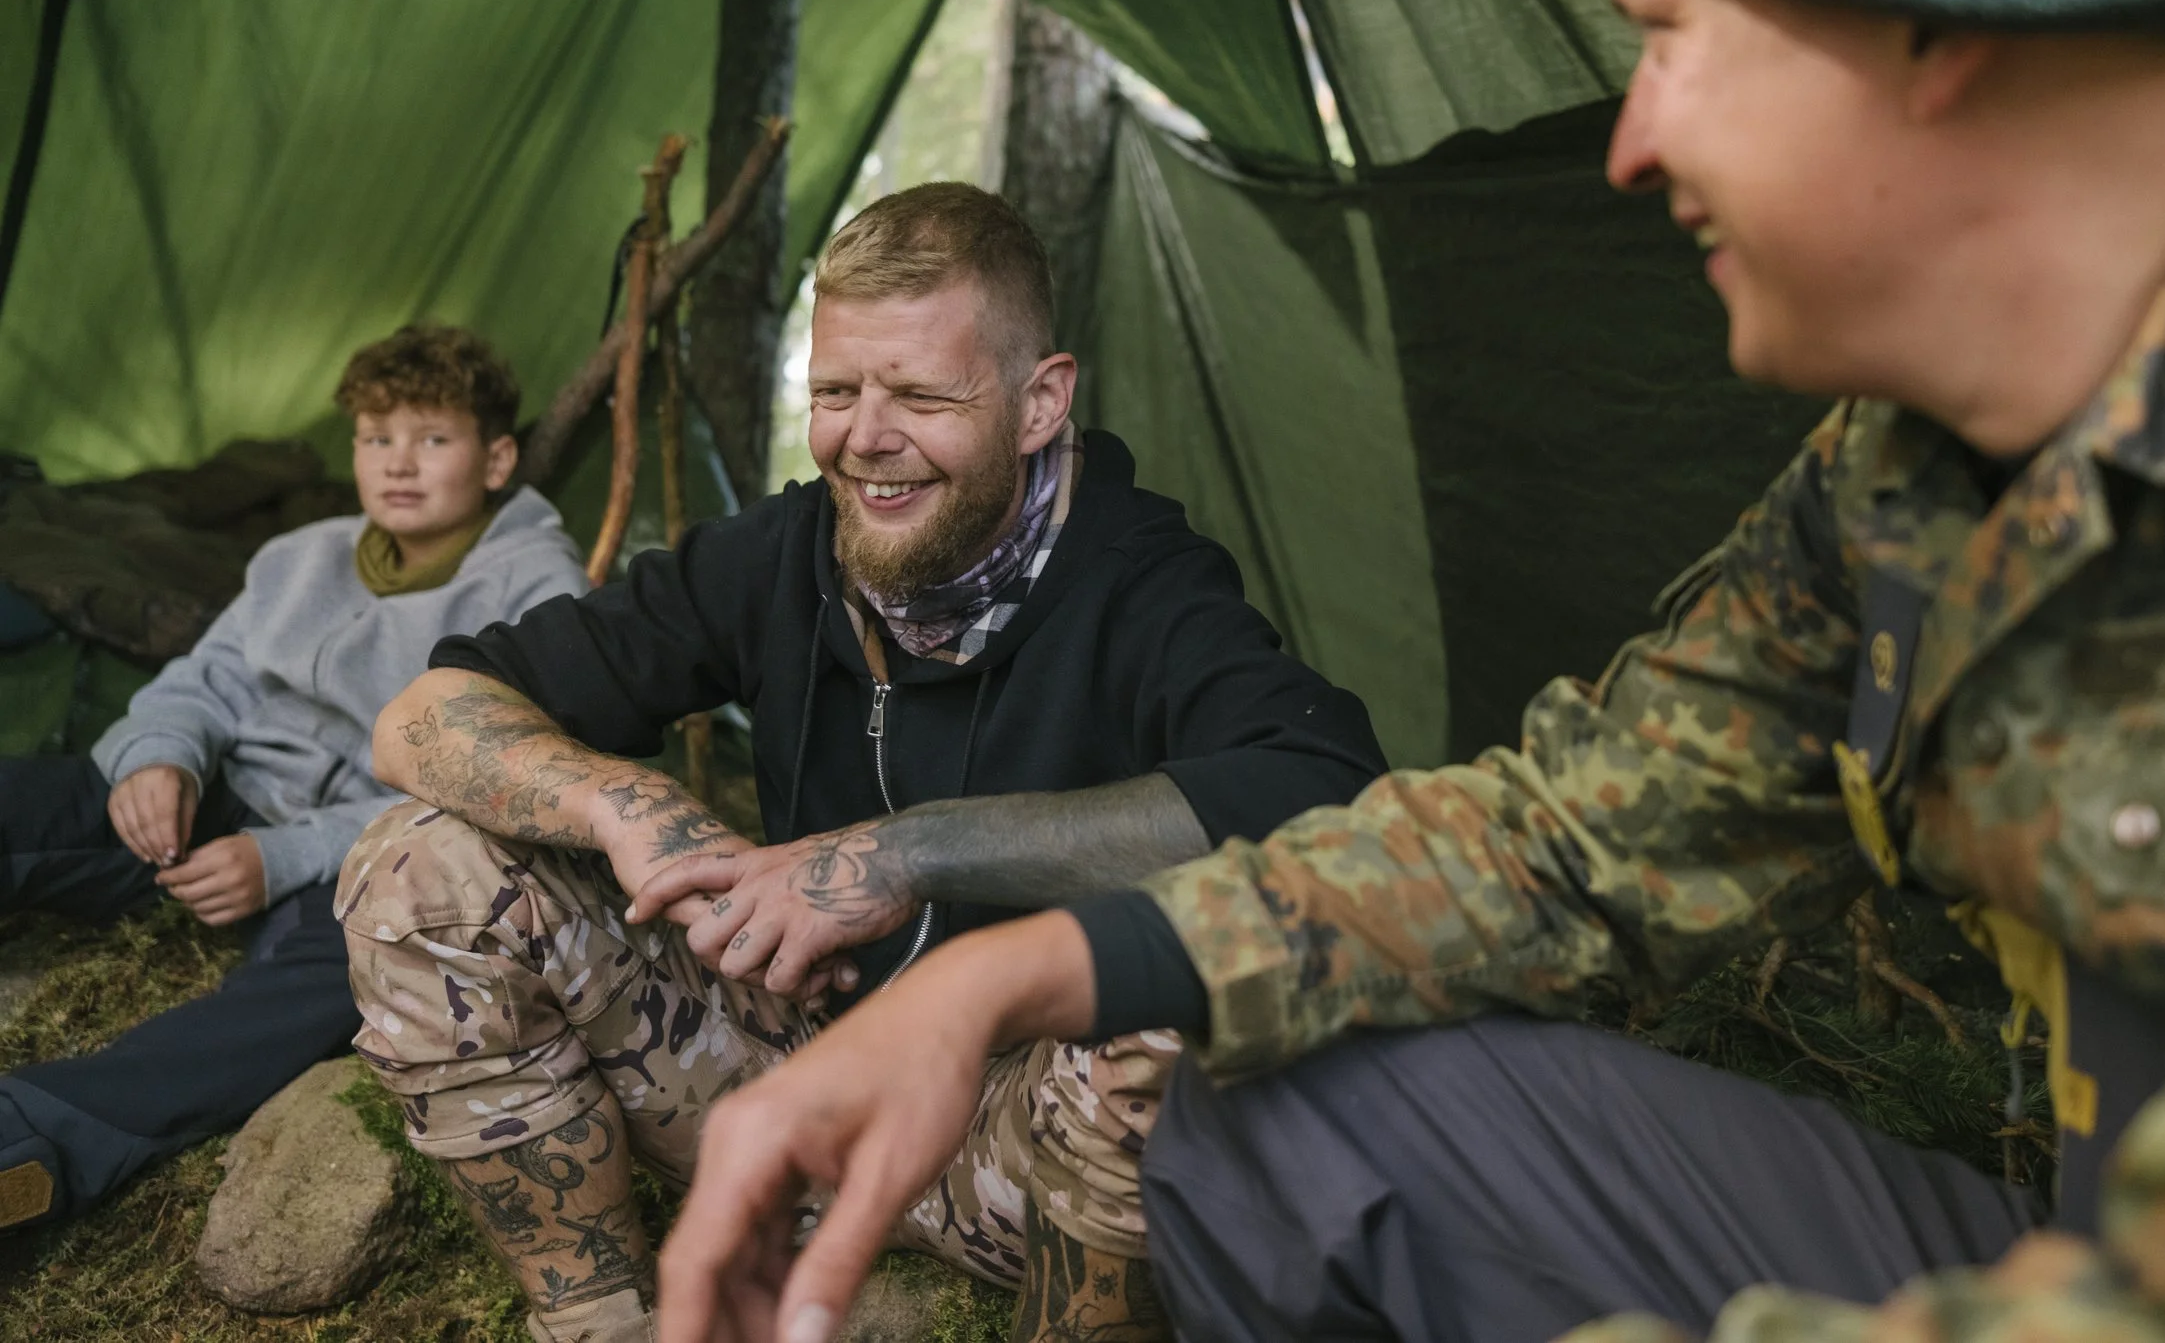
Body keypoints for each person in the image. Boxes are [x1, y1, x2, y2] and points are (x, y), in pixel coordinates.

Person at [651, 0, 2165, 1343]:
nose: (1629, 142)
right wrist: (1018, 972)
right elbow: (1565, 839)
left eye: (1674, 35)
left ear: (1942, 14)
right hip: (2102, 1244)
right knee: (1276, 1115)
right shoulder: (1918, 468)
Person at [343, 181, 1385, 1343]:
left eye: (922, 395)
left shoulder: (1144, 583)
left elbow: (1324, 797)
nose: (863, 436)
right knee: (421, 864)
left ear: (1041, 401)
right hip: (787, 1080)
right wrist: (621, 800)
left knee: (1187, 977)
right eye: (833, 391)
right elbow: (427, 714)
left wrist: (908, 852)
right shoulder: (787, 549)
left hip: (1021, 1133)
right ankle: (604, 1320)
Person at [0, 323, 585, 1231]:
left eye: (432, 439)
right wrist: (162, 756)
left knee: (334, 981)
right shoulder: (299, 555)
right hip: (217, 795)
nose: (399, 463)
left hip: (370, 851)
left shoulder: (536, 589)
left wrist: (280, 856)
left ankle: (34, 1136)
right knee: (30, 795)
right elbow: (208, 677)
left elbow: (480, 783)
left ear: (497, 456)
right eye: (375, 437)